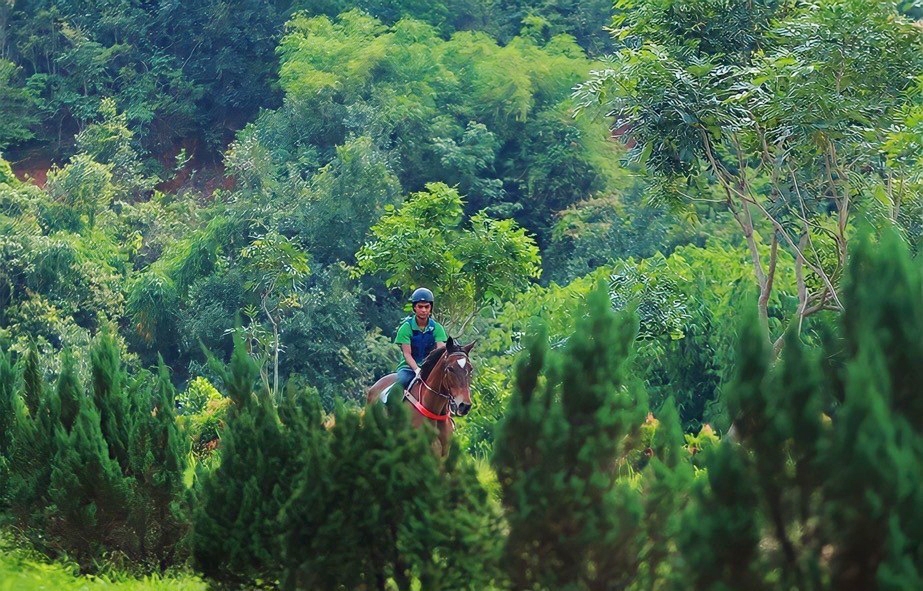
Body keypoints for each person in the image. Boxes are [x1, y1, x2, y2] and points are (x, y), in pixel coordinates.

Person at [393, 287, 447, 391]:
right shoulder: (406, 328)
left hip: (430, 369)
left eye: (427, 307)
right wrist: (417, 370)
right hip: (408, 368)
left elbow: (440, 349)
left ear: (430, 308)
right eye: (420, 307)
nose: (424, 310)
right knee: (400, 383)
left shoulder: (437, 328)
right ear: (414, 308)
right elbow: (407, 354)